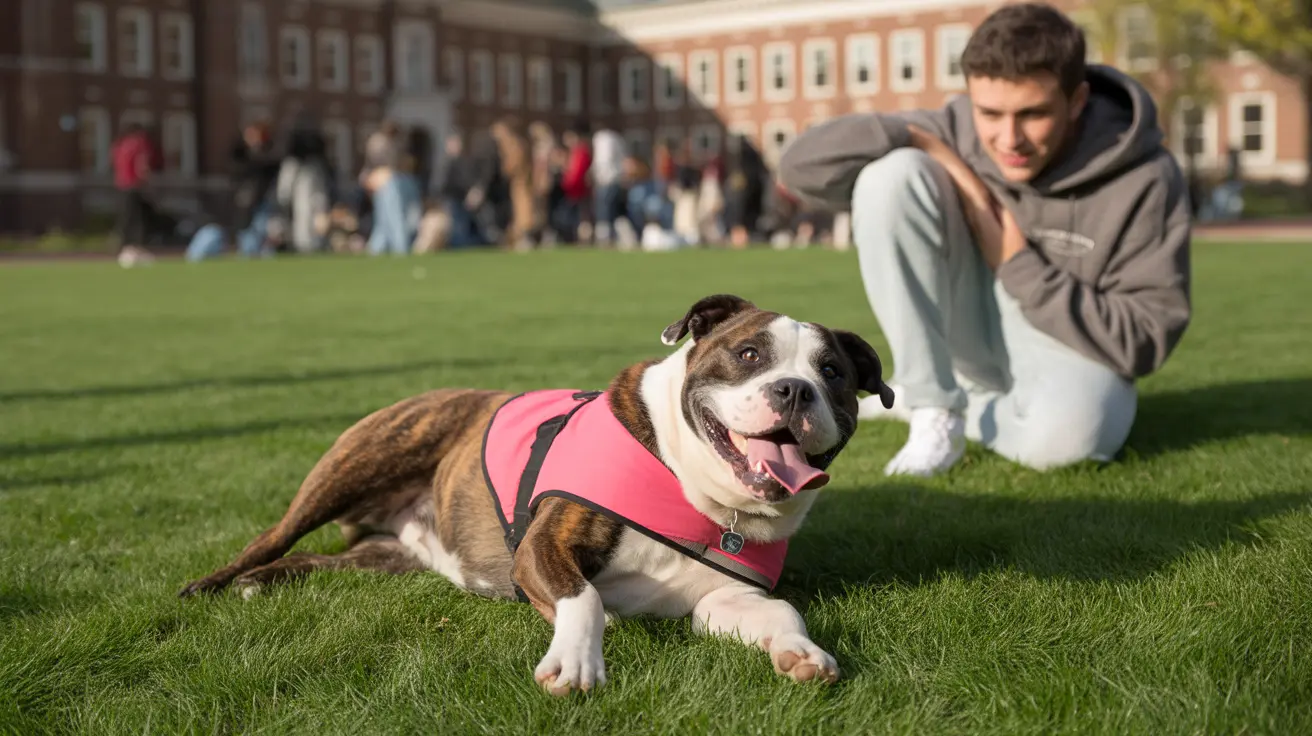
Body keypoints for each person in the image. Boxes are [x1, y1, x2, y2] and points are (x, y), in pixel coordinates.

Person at [779, 2, 1191, 476]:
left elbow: (1145, 341)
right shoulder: (958, 129)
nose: (1008, 138)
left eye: (1032, 114)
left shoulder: (1146, 176)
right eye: (990, 112)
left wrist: (1015, 261)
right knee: (892, 176)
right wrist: (931, 148)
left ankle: (929, 398)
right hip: (969, 325)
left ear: (1077, 101)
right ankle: (934, 404)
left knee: (1072, 443)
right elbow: (798, 169)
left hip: (1069, 342)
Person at [110, 123, 163, 267]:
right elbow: (142, 165)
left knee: (126, 220)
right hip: (135, 186)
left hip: (121, 186)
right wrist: (148, 184)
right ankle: (135, 250)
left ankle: (125, 251)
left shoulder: (120, 144)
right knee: (139, 220)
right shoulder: (140, 143)